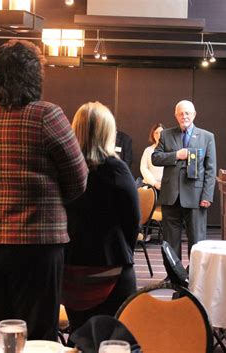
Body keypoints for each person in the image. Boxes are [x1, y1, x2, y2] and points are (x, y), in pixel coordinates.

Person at [0, 40, 88, 342]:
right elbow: (79, 180)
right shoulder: (46, 115)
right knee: (37, 333)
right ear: (33, 77)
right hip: (34, 241)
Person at [63, 102, 140, 332]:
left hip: (71, 272)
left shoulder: (64, 169)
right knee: (114, 339)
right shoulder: (116, 170)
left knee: (80, 336)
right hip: (112, 269)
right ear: (108, 133)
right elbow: (133, 222)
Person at [152, 100, 217, 259]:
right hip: (171, 196)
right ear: (176, 115)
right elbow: (155, 158)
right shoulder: (166, 135)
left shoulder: (207, 137)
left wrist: (207, 196)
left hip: (196, 197)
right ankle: (174, 276)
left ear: (194, 115)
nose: (184, 116)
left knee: (196, 241)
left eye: (187, 113)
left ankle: (194, 276)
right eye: (181, 113)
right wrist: (176, 155)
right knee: (170, 241)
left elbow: (210, 169)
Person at [140, 123, 165, 190]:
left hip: (166, 187)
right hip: (150, 186)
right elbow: (143, 168)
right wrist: (154, 183)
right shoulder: (148, 150)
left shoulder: (170, 150)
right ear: (153, 135)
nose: (158, 135)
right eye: (156, 133)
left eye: (161, 132)